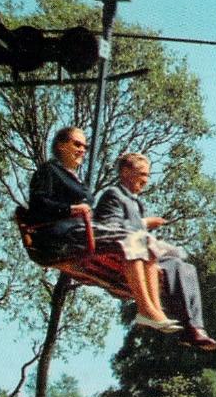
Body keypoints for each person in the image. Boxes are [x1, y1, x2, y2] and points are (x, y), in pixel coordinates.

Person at [26, 128, 180, 333]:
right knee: (134, 239)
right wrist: (71, 209)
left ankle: (155, 310)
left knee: (146, 242)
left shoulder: (73, 178)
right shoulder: (49, 171)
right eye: (77, 144)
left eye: (85, 146)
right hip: (62, 236)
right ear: (61, 145)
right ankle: (145, 309)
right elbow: (38, 205)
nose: (82, 150)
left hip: (80, 232)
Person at [95, 152, 216, 350]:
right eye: (142, 174)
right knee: (153, 247)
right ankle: (150, 310)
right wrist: (144, 223)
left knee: (183, 267)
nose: (145, 180)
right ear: (126, 172)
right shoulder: (113, 194)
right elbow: (108, 227)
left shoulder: (136, 202)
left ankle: (193, 328)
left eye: (147, 175)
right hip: (124, 249)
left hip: (140, 251)